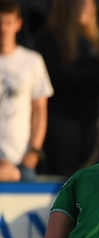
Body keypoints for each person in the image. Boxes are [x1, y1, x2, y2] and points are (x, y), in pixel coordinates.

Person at [34, 0, 99, 179]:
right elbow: (57, 76)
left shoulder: (96, 40)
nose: (87, 7)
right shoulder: (47, 38)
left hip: (90, 119)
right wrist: (92, 77)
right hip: (61, 118)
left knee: (87, 175)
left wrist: (80, 76)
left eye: (90, 4)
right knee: (63, 175)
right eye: (81, 3)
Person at [0, 0, 52, 182]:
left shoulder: (32, 61)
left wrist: (34, 151)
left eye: (8, 22)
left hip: (22, 158)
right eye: (0, 22)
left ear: (18, 24)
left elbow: (40, 111)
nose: (3, 29)